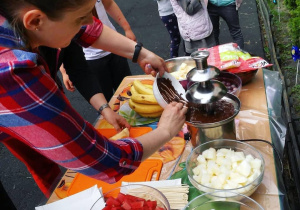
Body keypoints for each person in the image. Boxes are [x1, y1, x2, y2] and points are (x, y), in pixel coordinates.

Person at [0, 0, 188, 200]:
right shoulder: (12, 72)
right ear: (35, 20)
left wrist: (140, 53)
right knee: (48, 171)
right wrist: (165, 131)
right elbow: (106, 161)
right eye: (80, 18)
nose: (89, 21)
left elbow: (84, 29)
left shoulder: (34, 16)